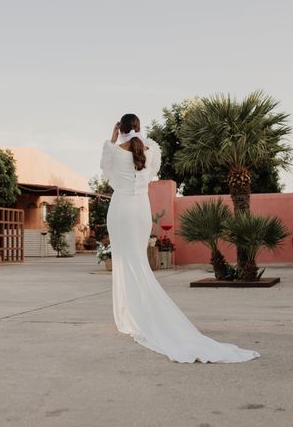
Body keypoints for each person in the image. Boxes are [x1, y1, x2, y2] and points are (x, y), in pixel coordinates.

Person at [100, 113, 260, 363]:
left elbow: (106, 174)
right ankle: (138, 313)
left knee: (124, 262)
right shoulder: (150, 150)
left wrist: (112, 139)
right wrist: (137, 136)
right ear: (139, 128)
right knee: (138, 261)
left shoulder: (113, 150)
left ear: (120, 127)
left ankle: (132, 316)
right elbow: (151, 166)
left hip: (120, 210)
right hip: (141, 210)